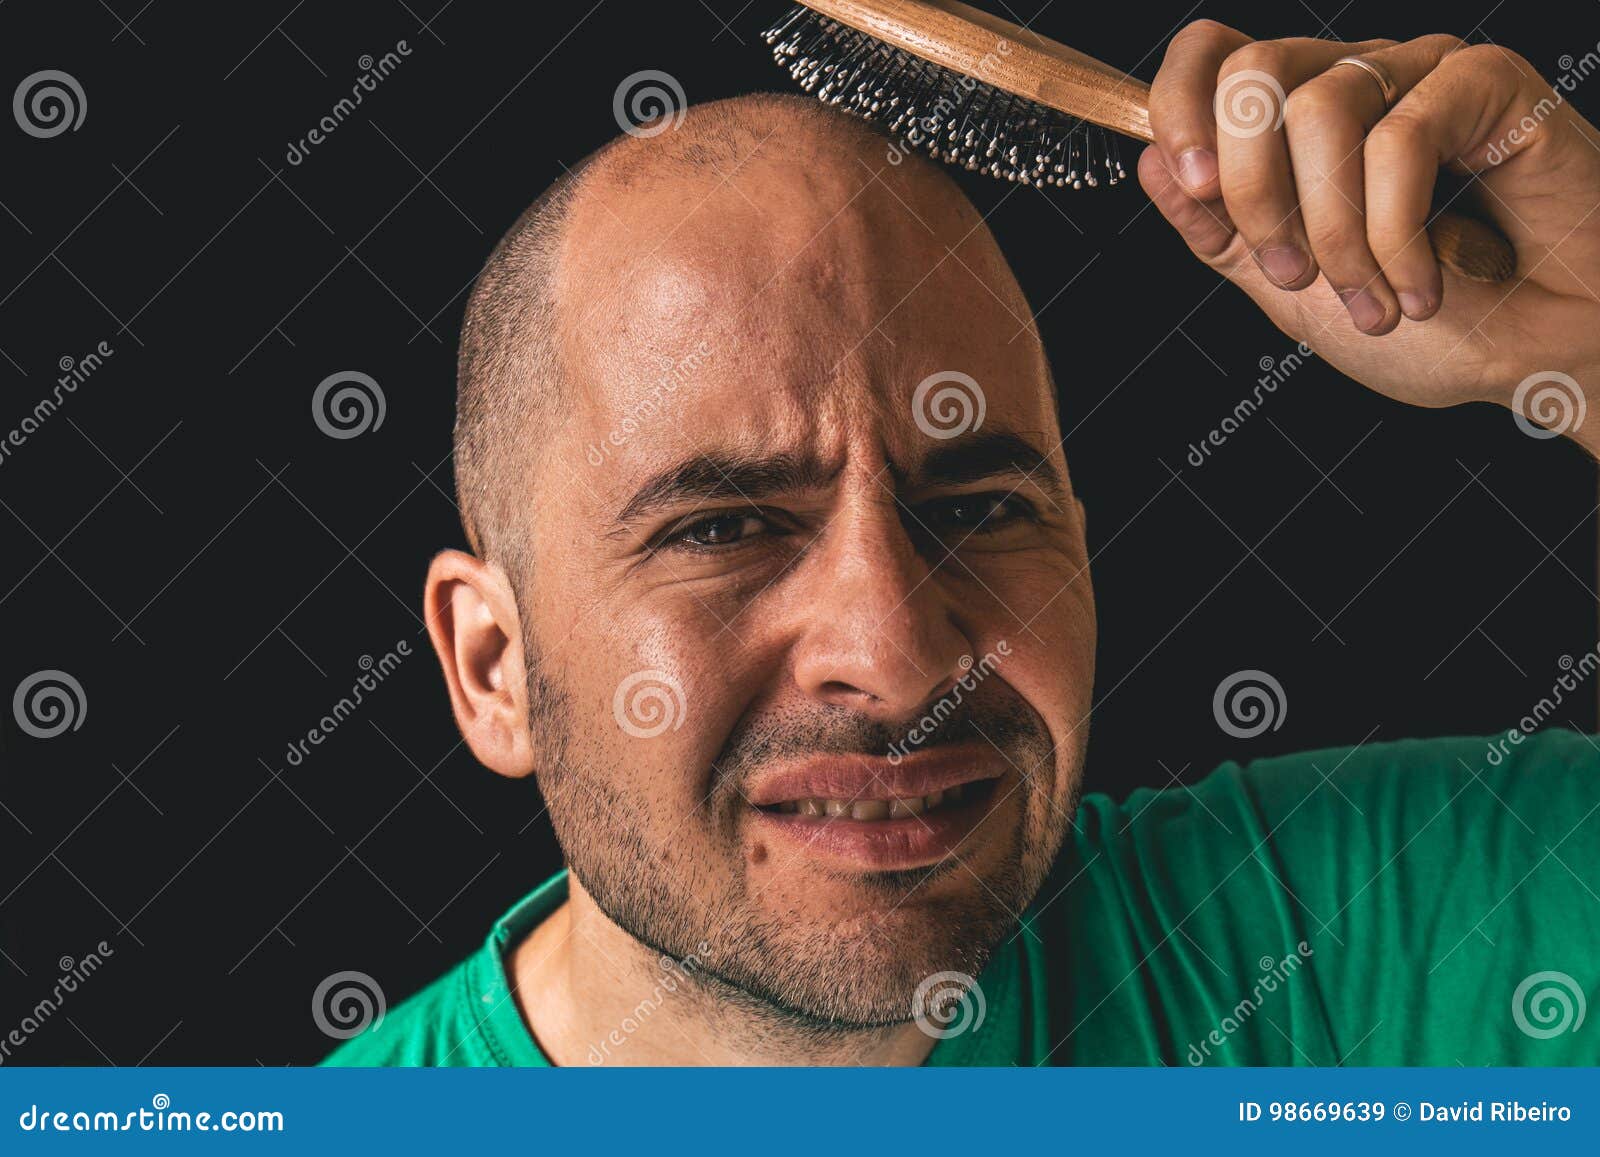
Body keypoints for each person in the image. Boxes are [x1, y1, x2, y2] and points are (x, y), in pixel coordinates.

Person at [325, 23, 1600, 1066]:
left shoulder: (1360, 939)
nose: (897, 655)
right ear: (493, 666)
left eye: (980, 509)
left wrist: (1586, 348)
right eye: (723, 527)